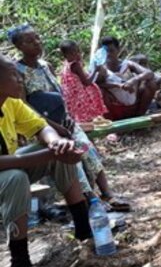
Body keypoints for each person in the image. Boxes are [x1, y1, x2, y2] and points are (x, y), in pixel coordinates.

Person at [10, 26, 129, 211]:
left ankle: (108, 194)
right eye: (29, 41)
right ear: (19, 46)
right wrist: (53, 126)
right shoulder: (17, 72)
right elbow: (26, 107)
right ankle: (91, 200)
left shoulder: (45, 65)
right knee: (71, 161)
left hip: (65, 121)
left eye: (37, 38)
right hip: (44, 128)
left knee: (88, 152)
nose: (37, 43)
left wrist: (66, 117)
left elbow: (58, 94)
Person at [0, 54, 90, 267]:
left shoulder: (10, 102)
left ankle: (84, 230)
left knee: (53, 151)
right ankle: (20, 264)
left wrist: (56, 144)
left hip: (8, 170)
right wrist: (50, 155)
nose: (20, 79)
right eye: (13, 75)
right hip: (5, 176)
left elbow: (41, 127)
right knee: (15, 177)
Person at [96, 36, 159, 120]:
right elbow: (97, 85)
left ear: (118, 50)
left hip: (135, 104)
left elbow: (149, 73)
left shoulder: (127, 64)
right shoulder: (101, 68)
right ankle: (112, 122)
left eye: (111, 51)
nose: (108, 54)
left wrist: (133, 80)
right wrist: (118, 85)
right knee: (99, 91)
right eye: (106, 51)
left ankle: (140, 116)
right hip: (115, 107)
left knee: (151, 83)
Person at [58, 40, 108, 123]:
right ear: (65, 55)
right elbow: (86, 82)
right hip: (80, 96)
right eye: (72, 53)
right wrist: (95, 70)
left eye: (77, 51)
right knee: (88, 115)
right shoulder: (75, 65)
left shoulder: (66, 64)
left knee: (79, 117)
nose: (76, 54)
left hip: (72, 97)